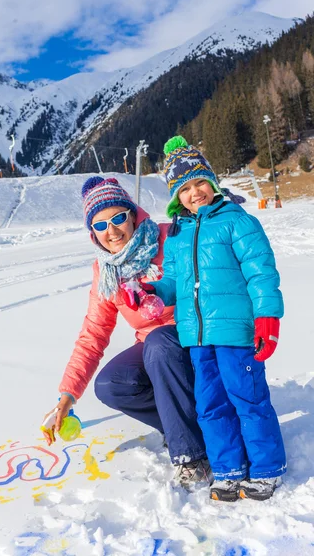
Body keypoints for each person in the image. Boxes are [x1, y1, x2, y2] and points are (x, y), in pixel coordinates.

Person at [42, 175, 210, 487]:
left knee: (160, 342)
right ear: (92, 232)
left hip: (196, 335)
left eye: (118, 218)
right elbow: (93, 332)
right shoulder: (105, 270)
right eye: (100, 225)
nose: (112, 231)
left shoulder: (168, 237)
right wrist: (67, 396)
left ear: (132, 215)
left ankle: (192, 454)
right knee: (111, 384)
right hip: (156, 348)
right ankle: (182, 427)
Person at [147, 136, 286, 502]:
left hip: (236, 332)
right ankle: (228, 470)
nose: (195, 193)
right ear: (177, 196)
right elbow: (174, 282)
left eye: (200, 183)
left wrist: (267, 317)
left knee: (248, 399)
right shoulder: (177, 233)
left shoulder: (237, 221)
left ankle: (267, 469)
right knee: (209, 405)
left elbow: (261, 273)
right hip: (196, 336)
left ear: (212, 182)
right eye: (185, 188)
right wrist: (154, 292)